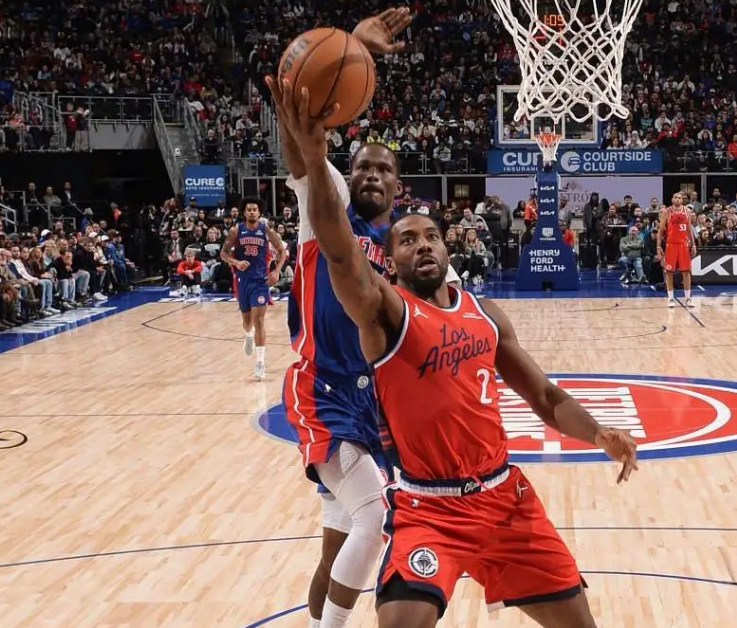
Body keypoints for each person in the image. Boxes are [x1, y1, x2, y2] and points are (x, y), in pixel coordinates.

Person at [274, 80, 638, 628]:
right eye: (407, 240)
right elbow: (338, 250)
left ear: (449, 247)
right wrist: (314, 153)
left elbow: (544, 396)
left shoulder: (484, 313)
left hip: (503, 498)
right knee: (372, 551)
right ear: (388, 263)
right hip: (426, 504)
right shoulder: (384, 311)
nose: (421, 243)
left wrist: (598, 432)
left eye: (431, 236)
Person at [265, 10, 461, 628]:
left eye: (383, 169)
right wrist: (351, 47)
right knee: (376, 517)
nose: (370, 174)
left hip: (373, 403)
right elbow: (301, 148)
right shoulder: (327, 210)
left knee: (339, 543)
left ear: (398, 185)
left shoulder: (406, 246)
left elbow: (448, 317)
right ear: (347, 177)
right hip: (323, 388)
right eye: (362, 167)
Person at [219, 199, 286, 379]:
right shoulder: (236, 231)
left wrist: (277, 271)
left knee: (260, 321)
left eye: (254, 209)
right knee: (247, 321)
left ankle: (260, 363)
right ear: (244, 212)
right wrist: (236, 262)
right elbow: (223, 253)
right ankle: (248, 335)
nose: (252, 212)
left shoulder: (266, 230)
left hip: (261, 282)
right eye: (249, 210)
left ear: (259, 212)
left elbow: (282, 251)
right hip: (243, 281)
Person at [656, 192, 697, 307]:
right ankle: (670, 298)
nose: (678, 199)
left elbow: (689, 229)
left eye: (679, 198)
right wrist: (658, 246)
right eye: (675, 197)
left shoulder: (687, 211)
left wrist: (693, 244)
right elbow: (661, 230)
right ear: (672, 199)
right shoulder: (667, 211)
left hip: (683, 245)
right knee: (669, 272)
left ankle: (688, 298)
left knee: (686, 271)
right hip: (671, 244)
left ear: (682, 200)